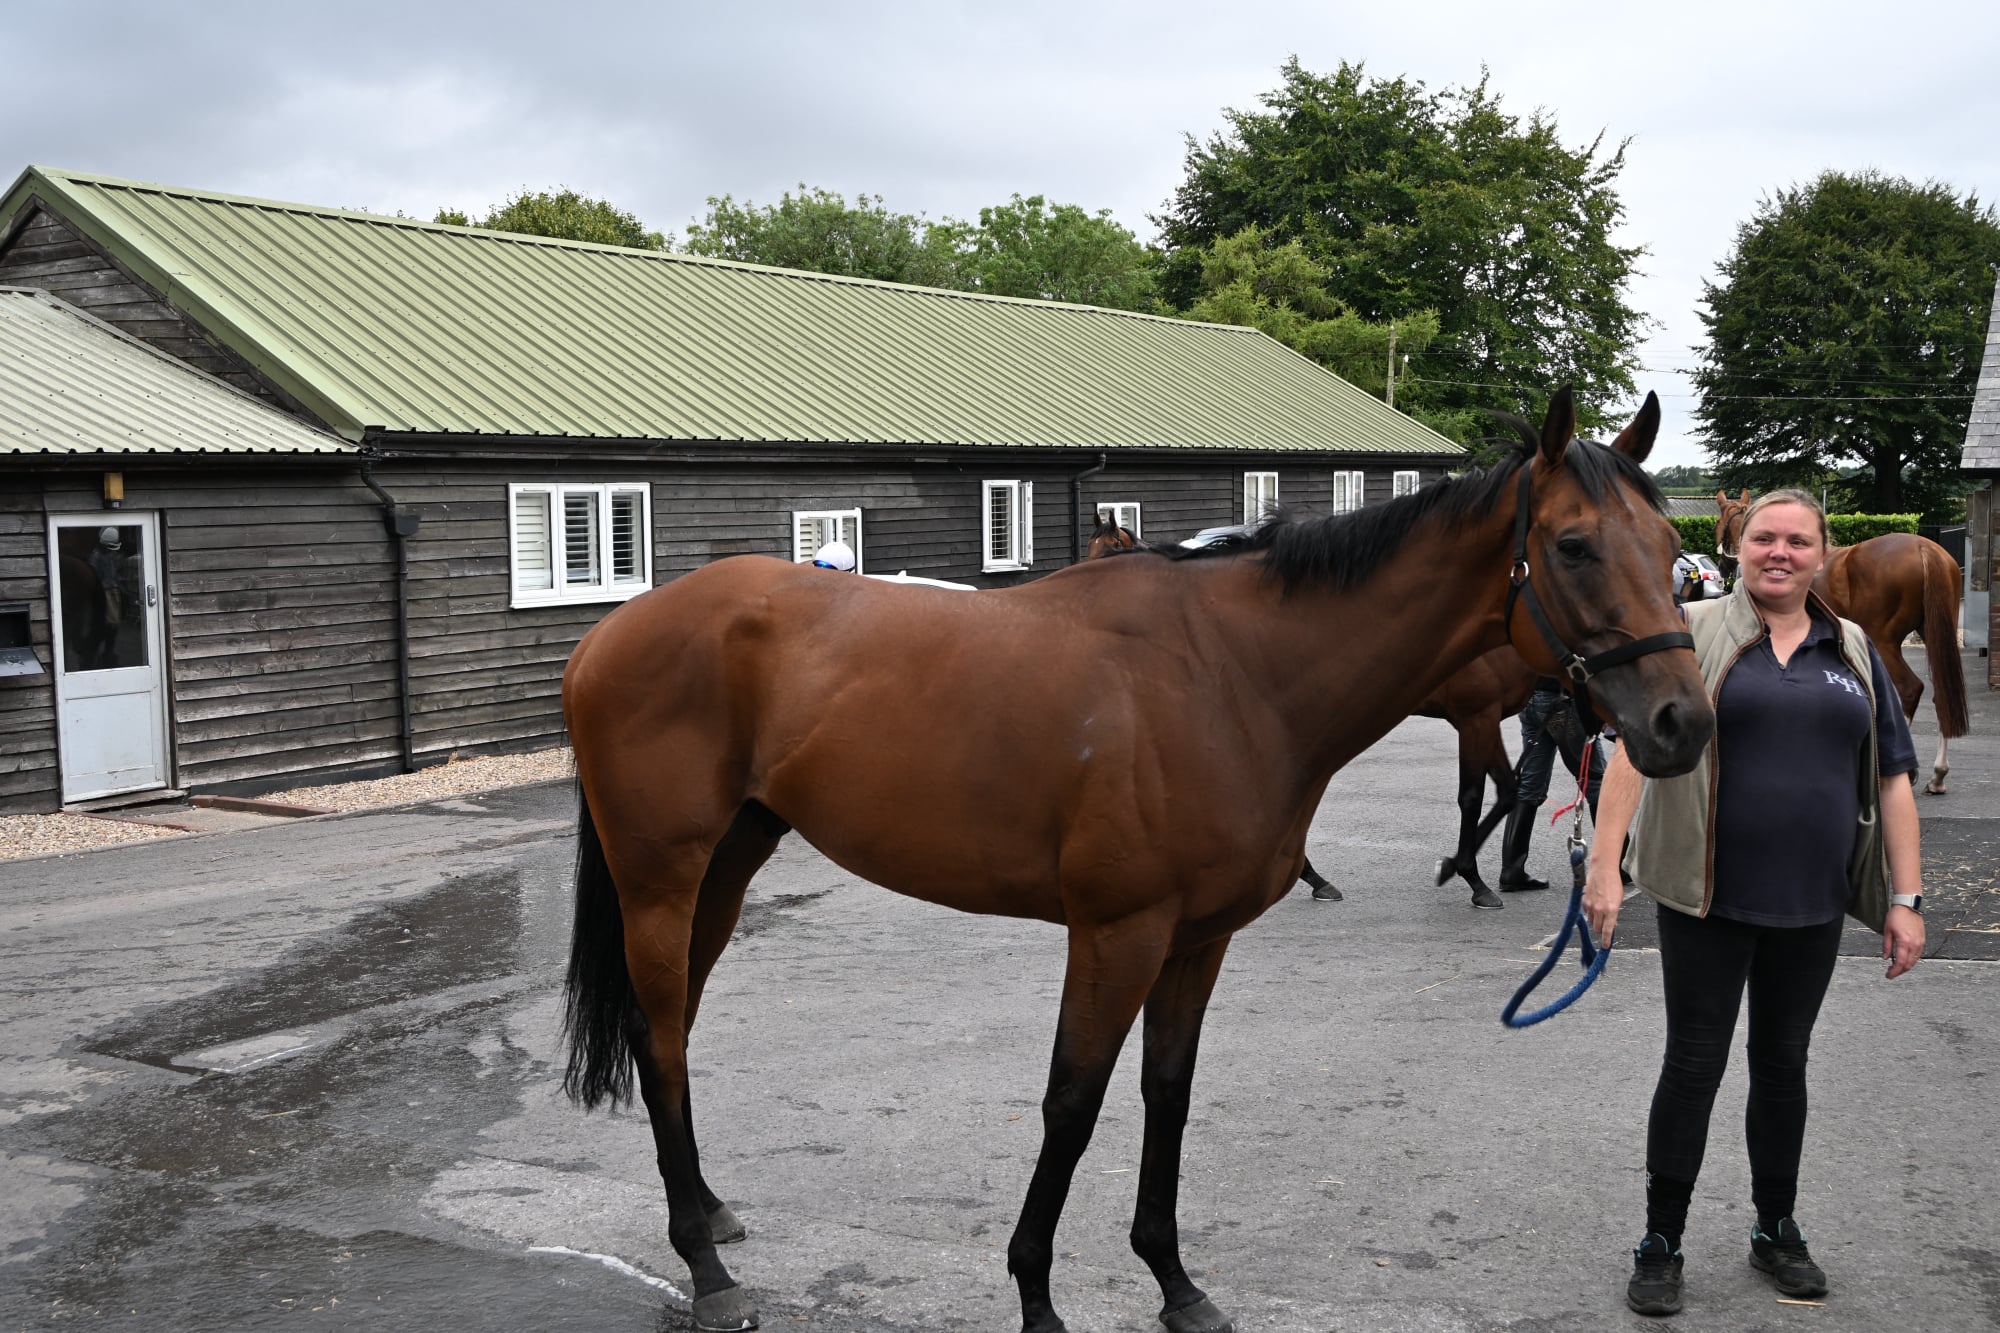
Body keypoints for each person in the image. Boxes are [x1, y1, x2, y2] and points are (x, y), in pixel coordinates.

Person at [1582, 489, 1925, 1317]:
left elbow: (1893, 777)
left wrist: (1905, 897)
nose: (1779, 550)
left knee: (1782, 1067)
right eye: (1765, 537)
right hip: (1706, 899)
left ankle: (1776, 1228)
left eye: (1797, 540)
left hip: (1810, 903)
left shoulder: (1851, 647)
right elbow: (1638, 750)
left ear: (1821, 553)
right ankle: (1661, 1240)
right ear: (1740, 546)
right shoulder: (1694, 631)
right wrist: (1604, 861)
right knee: (1693, 1065)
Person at [1497, 680, 1605, 892]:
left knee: (1529, 784)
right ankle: (1617, 861)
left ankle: (1511, 869)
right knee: (1597, 781)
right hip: (1563, 700)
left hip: (1530, 696)